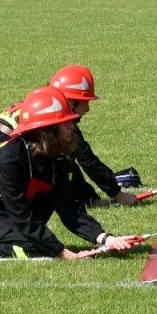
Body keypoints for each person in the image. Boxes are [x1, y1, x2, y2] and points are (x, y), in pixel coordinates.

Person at [0, 86, 140, 259]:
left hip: (5, 208)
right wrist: (63, 253)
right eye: (65, 123)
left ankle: (3, 236)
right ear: (47, 130)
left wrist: (106, 238)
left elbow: (69, 209)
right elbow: (21, 216)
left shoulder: (58, 157)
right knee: (30, 248)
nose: (72, 127)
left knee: (39, 233)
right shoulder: (8, 159)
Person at [48, 64, 142, 208]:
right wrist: (118, 194)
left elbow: (70, 164)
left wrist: (91, 198)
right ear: (71, 102)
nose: (87, 109)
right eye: (85, 102)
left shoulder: (44, 109)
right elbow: (86, 159)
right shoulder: (50, 122)